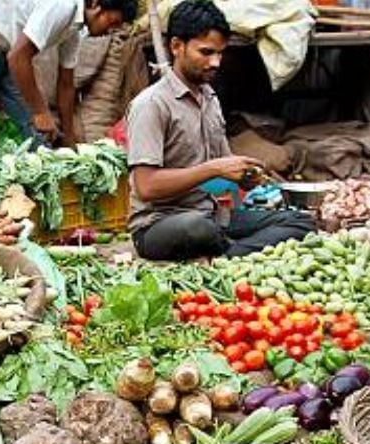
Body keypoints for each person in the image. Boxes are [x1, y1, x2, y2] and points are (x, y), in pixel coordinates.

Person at [126, 0, 316, 261]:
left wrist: (245, 178)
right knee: (198, 229)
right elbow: (146, 186)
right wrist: (214, 169)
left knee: (299, 222)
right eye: (206, 52)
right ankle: (234, 250)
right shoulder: (151, 104)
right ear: (176, 46)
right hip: (160, 225)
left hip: (211, 215)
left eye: (219, 53)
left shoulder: (210, 99)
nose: (215, 62)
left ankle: (225, 256)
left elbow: (222, 174)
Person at [0, 0, 137, 148]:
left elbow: (66, 84)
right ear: (95, 4)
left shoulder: (75, 28)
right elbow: (18, 57)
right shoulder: (63, 6)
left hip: (6, 47)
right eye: (113, 22)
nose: (111, 31)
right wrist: (40, 112)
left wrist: (70, 139)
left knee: (40, 135)